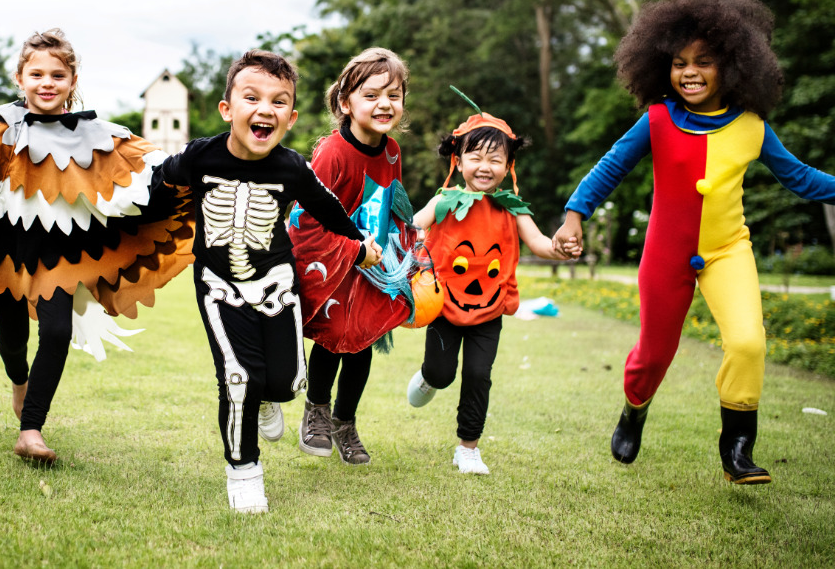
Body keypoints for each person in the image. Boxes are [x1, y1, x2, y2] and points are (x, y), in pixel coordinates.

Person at [552, 0, 835, 484]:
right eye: (680, 62)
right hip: (666, 253)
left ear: (733, 64)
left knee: (748, 342)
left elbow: (801, 178)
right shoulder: (657, 119)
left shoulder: (752, 126)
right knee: (654, 355)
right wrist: (575, 215)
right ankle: (633, 410)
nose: (689, 72)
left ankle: (738, 447)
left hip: (729, 250)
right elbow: (610, 167)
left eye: (703, 61)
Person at [0, 29, 193, 466]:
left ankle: (31, 430)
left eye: (57, 75)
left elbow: (153, 167)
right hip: (4, 250)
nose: (47, 82)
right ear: (20, 77)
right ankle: (18, 381)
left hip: (61, 253)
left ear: (72, 80)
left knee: (58, 333)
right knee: (13, 339)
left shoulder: (99, 134)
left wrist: (207, 162)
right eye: (37, 74)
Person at [155, 49, 382, 514]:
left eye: (279, 102)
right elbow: (157, 184)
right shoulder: (200, 155)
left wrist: (361, 245)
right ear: (228, 109)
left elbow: (329, 210)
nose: (265, 109)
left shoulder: (292, 167)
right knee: (239, 377)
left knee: (284, 381)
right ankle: (243, 471)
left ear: (291, 117)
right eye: (252, 97)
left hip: (278, 283)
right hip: (218, 286)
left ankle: (266, 398)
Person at [406, 97, 573, 475]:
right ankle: (430, 377)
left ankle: (468, 448)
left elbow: (540, 244)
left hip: (489, 309)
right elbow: (412, 226)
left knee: (479, 375)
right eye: (476, 157)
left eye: (495, 159)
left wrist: (560, 248)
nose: (485, 166)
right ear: (458, 161)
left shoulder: (513, 208)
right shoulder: (444, 201)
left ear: (508, 166)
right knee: (442, 373)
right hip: (444, 306)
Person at [289, 48, 416, 465]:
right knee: (334, 338)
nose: (384, 104)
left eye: (394, 95)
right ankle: (317, 410)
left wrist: (406, 251)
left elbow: (391, 204)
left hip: (372, 267)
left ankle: (345, 422)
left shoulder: (392, 151)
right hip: (333, 263)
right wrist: (352, 250)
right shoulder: (332, 153)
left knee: (362, 343)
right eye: (372, 95)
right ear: (346, 102)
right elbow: (308, 219)